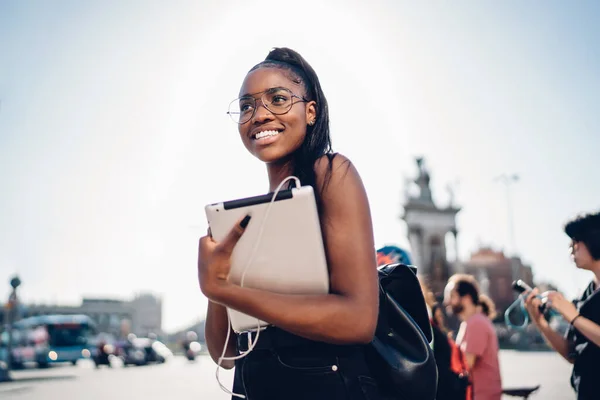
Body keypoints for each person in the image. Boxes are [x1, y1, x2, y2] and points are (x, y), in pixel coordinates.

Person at [198, 47, 382, 400]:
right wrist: (214, 287)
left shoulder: (330, 173)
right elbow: (224, 355)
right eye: (247, 105)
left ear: (310, 111)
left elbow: (358, 320)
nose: (260, 115)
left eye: (278, 99)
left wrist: (226, 290)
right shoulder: (239, 221)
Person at [524, 211, 600, 400]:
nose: (571, 249)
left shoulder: (576, 310)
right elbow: (572, 353)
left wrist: (573, 317)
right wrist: (540, 322)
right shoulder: (586, 294)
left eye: (576, 242)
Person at [444, 274, 502, 400]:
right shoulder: (469, 322)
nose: (446, 301)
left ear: (467, 298)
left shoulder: (476, 322)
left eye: (452, 296)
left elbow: (465, 364)